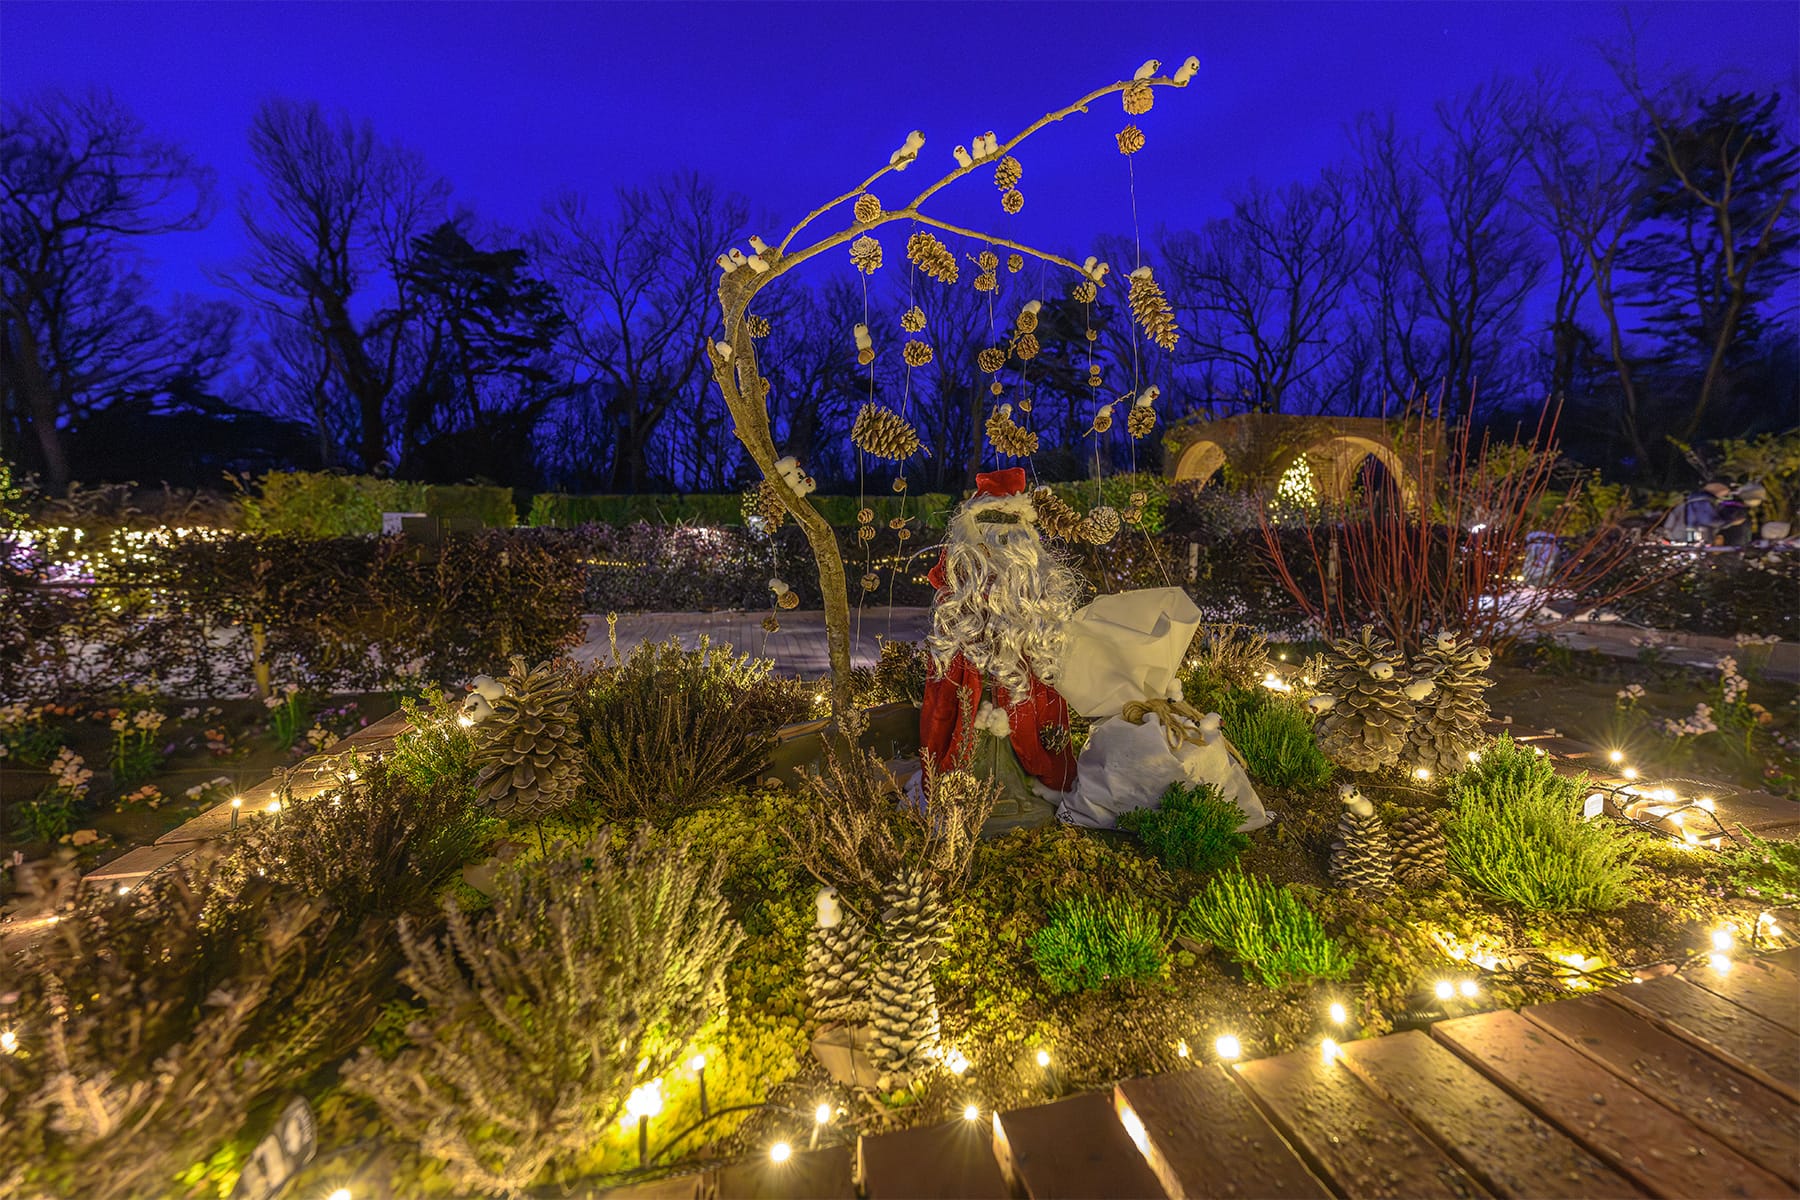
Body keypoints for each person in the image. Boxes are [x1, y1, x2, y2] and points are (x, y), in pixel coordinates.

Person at [918, 467, 1081, 822]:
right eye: (989, 537)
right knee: (973, 748)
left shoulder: (1033, 596)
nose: (995, 550)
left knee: (1016, 747)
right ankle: (970, 793)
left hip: (1021, 695)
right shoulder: (961, 590)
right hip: (972, 693)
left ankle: (1022, 788)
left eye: (1008, 536)